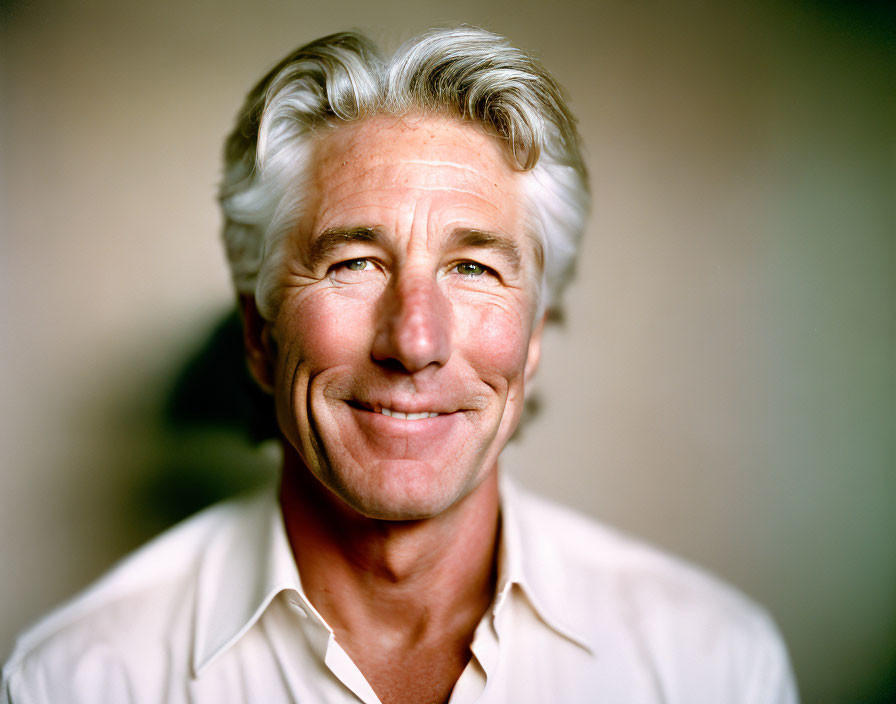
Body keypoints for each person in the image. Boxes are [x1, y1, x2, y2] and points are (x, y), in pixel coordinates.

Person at [1, 27, 799, 704]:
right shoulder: (75, 679)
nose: (414, 342)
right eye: (353, 263)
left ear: (532, 336)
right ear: (258, 332)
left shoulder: (714, 663)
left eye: (475, 269)